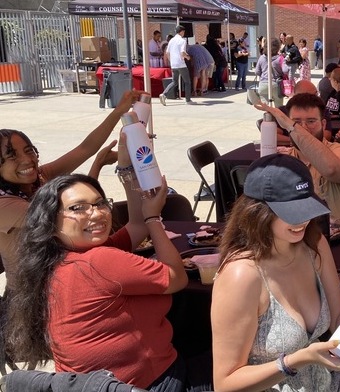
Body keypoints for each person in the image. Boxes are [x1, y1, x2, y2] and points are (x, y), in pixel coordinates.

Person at [5, 137, 208, 390]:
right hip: (149, 383)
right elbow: (177, 278)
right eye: (78, 208)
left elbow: (135, 225)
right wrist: (154, 217)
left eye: (100, 203)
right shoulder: (99, 261)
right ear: (50, 222)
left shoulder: (55, 258)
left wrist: (126, 169)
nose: (97, 213)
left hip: (91, 384)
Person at [211, 153, 340, 392]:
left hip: (326, 382)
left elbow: (337, 325)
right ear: (257, 212)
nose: (303, 219)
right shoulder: (242, 274)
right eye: (292, 211)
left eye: (306, 207)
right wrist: (300, 359)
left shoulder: (314, 245)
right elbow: (225, 384)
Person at [0, 90, 143, 296]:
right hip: (30, 298)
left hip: (61, 283)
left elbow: (85, 148)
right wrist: (101, 166)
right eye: (12, 156)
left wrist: (119, 110)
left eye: (29, 150)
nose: (26, 160)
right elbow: (72, 218)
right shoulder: (4, 205)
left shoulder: (40, 176)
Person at [255, 94, 340, 227]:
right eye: (296, 122)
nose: (303, 128)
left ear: (323, 124)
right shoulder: (284, 161)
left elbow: (332, 170)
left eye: (311, 121)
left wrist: (292, 127)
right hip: (301, 241)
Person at [160, 25, 193, 106]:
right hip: (181, 64)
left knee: (174, 82)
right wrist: (188, 57)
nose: (184, 33)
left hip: (174, 64)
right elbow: (182, 52)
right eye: (184, 32)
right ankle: (188, 99)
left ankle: (164, 94)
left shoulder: (171, 41)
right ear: (181, 32)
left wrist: (171, 61)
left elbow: (167, 53)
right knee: (187, 82)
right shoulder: (182, 41)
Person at [254, 38, 286, 107]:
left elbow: (257, 71)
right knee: (279, 108)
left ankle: (268, 116)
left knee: (266, 108)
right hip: (276, 84)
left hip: (263, 85)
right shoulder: (280, 58)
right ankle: (277, 117)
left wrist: (263, 75)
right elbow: (285, 71)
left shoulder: (262, 58)